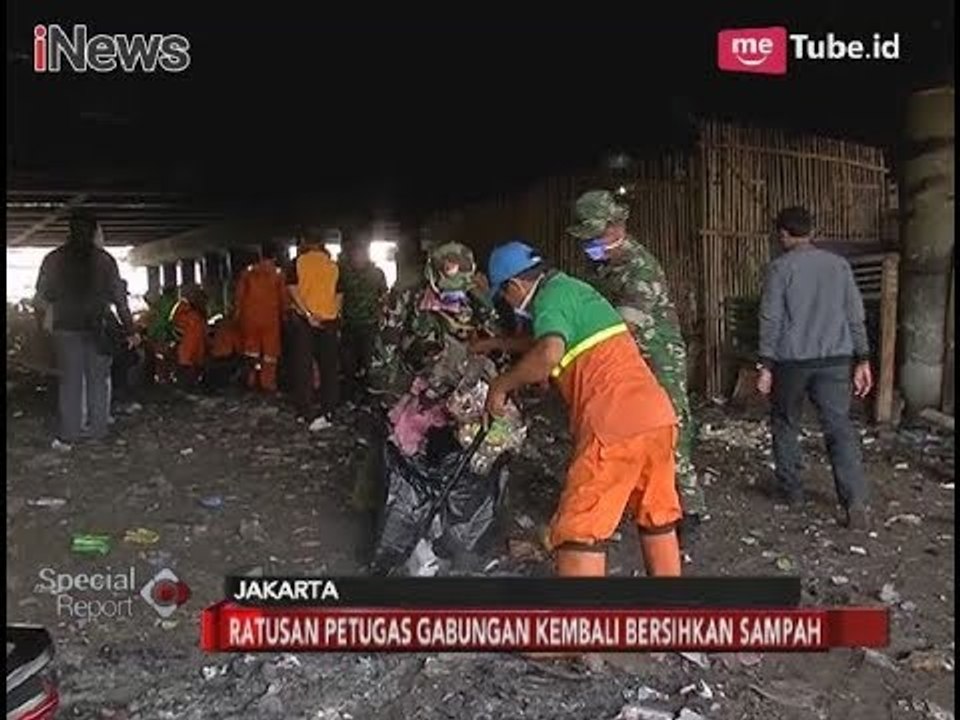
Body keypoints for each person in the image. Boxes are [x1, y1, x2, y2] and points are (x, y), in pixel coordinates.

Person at [481, 240, 682, 578]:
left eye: (504, 297)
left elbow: (548, 353)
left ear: (514, 286)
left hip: (614, 426)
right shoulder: (571, 290)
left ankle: (583, 624)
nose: (508, 304)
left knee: (579, 529)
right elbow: (548, 341)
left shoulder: (548, 299)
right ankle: (674, 612)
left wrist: (501, 385)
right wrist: (495, 343)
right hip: (656, 418)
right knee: (657, 514)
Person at [567, 190, 706, 544]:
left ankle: (689, 507)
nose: (590, 244)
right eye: (587, 238)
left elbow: (622, 324)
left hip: (657, 357)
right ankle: (637, 497)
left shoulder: (640, 268)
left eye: (596, 236)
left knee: (669, 424)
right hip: (625, 358)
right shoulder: (600, 262)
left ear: (617, 227)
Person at [757, 206, 873, 529]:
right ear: (811, 231)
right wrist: (863, 358)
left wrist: (765, 364)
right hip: (836, 361)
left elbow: (771, 319)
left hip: (792, 362)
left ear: (783, 234)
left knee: (785, 422)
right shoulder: (839, 266)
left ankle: (792, 493)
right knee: (839, 428)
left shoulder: (779, 269)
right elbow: (855, 313)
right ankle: (854, 501)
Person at [35, 211, 137, 448]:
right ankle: (98, 431)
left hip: (66, 327)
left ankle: (71, 433)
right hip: (98, 327)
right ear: (93, 232)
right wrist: (130, 329)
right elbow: (119, 298)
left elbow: (43, 294)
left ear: (69, 231)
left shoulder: (53, 259)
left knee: (70, 381)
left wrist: (47, 321)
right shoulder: (105, 260)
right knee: (98, 380)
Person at [285, 232, 342, 428]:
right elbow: (339, 295)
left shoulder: (297, 263)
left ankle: (306, 412)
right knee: (329, 368)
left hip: (304, 322)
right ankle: (329, 412)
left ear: (304, 243)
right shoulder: (333, 266)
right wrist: (332, 315)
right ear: (322, 244)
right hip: (329, 321)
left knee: (303, 367)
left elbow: (292, 291)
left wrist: (309, 315)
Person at [337, 239, 388, 403]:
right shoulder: (343, 273)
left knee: (368, 363)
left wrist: (382, 315)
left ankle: (368, 396)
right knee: (348, 364)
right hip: (349, 325)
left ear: (366, 256)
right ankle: (349, 396)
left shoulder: (377, 273)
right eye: (354, 254)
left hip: (369, 325)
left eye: (360, 254)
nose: (357, 258)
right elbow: (338, 296)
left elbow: (384, 297)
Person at [235, 242, 287, 392]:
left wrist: (238, 315)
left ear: (260, 255)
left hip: (250, 319)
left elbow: (239, 296)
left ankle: (251, 380)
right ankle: (267, 383)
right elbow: (284, 298)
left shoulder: (248, 272)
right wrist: (285, 316)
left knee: (251, 352)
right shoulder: (278, 274)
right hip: (271, 320)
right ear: (275, 257)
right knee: (270, 354)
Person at [171, 284, 208, 385]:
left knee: (193, 375)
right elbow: (176, 330)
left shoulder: (196, 311)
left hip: (195, 353)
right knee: (186, 376)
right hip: (186, 355)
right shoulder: (184, 310)